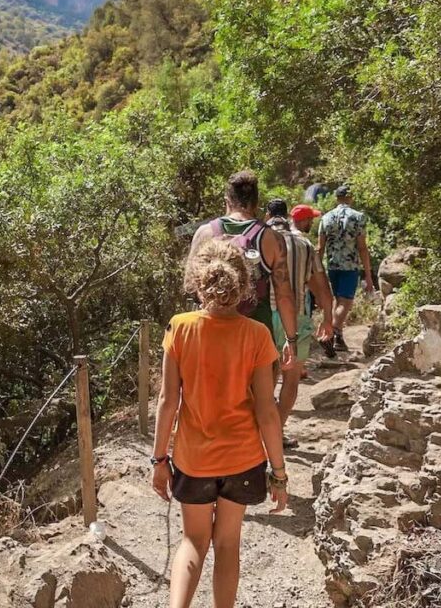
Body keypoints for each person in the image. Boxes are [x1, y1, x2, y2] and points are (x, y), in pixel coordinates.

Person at [152, 239, 289, 608]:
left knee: (193, 542)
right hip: (242, 459)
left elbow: (168, 402)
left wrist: (159, 460)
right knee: (227, 544)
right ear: (244, 285)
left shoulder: (179, 328)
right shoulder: (257, 335)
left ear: (196, 281)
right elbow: (267, 411)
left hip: (194, 460)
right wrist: (278, 472)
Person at [186, 170, 299, 371]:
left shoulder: (204, 233)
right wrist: (291, 340)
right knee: (258, 399)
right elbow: (284, 295)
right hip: (256, 337)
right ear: (256, 203)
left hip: (210, 336)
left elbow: (190, 286)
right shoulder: (271, 239)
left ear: (227, 201)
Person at [264, 200, 335, 445]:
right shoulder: (304, 244)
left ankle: (259, 432)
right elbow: (321, 285)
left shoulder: (261, 238)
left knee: (265, 377)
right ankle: (277, 433)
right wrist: (328, 318)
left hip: (264, 315)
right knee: (291, 378)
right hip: (296, 315)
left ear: (267, 215)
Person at [318, 185, 374, 354]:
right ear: (350, 198)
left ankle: (338, 340)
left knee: (338, 300)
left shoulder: (326, 218)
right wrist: (369, 275)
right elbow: (362, 247)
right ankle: (331, 332)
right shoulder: (358, 217)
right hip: (350, 266)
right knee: (346, 301)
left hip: (332, 265)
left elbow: (320, 247)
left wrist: (316, 269)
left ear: (336, 198)